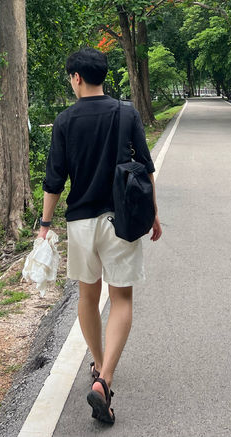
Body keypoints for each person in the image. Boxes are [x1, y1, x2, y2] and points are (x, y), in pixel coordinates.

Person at [38, 47, 162, 425]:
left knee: (88, 297)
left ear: (76, 77)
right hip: (121, 220)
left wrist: (45, 225)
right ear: (103, 76)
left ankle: (97, 364)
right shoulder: (126, 113)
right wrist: (154, 214)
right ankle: (104, 380)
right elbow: (146, 166)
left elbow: (55, 179)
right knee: (121, 299)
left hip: (80, 224)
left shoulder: (64, 120)